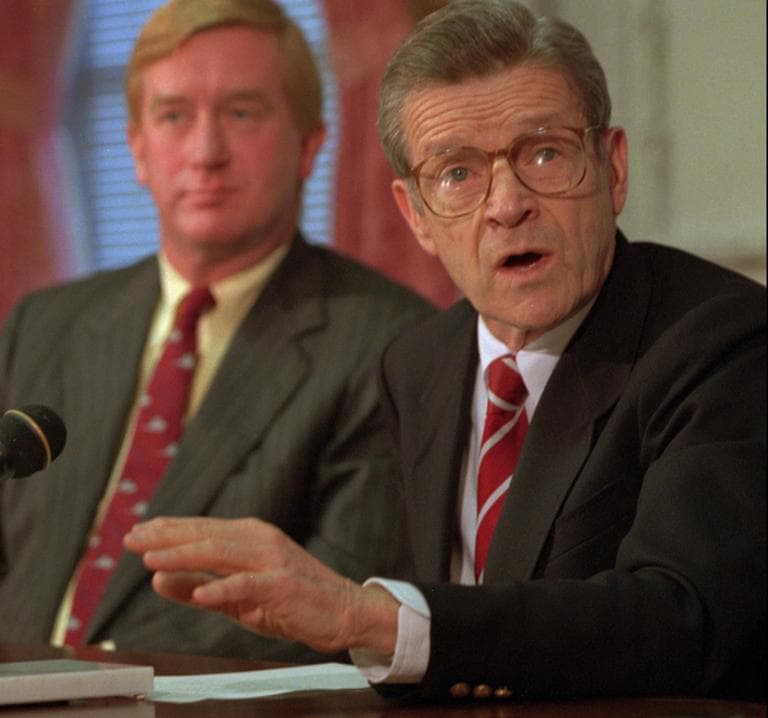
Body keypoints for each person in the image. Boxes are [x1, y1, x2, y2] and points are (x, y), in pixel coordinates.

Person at [124, 0, 766, 703]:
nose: (506, 204)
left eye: (544, 154)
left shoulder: (721, 340)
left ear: (612, 169)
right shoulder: (418, 364)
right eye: (458, 173)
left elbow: (681, 620)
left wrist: (370, 618)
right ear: (416, 216)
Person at [0, 0, 433, 662]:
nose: (206, 152)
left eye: (242, 113)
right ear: (138, 151)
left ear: (309, 146)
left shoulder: (392, 343)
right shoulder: (44, 323)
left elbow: (335, 619)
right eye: (174, 117)